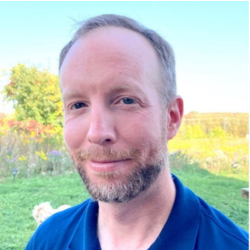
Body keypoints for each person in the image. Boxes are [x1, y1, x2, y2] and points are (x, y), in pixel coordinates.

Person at [25, 14, 248, 250]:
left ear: (171, 118)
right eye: (78, 105)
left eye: (126, 100)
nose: (97, 133)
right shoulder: (47, 239)